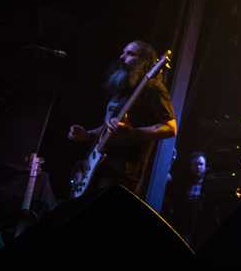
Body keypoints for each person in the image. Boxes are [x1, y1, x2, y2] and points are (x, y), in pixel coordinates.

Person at [68, 40, 176, 194]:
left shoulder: (154, 89)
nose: (122, 56)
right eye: (123, 52)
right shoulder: (124, 89)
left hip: (121, 175)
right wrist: (87, 135)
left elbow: (170, 128)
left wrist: (133, 132)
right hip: (99, 169)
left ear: (143, 60)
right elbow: (109, 127)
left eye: (130, 54)